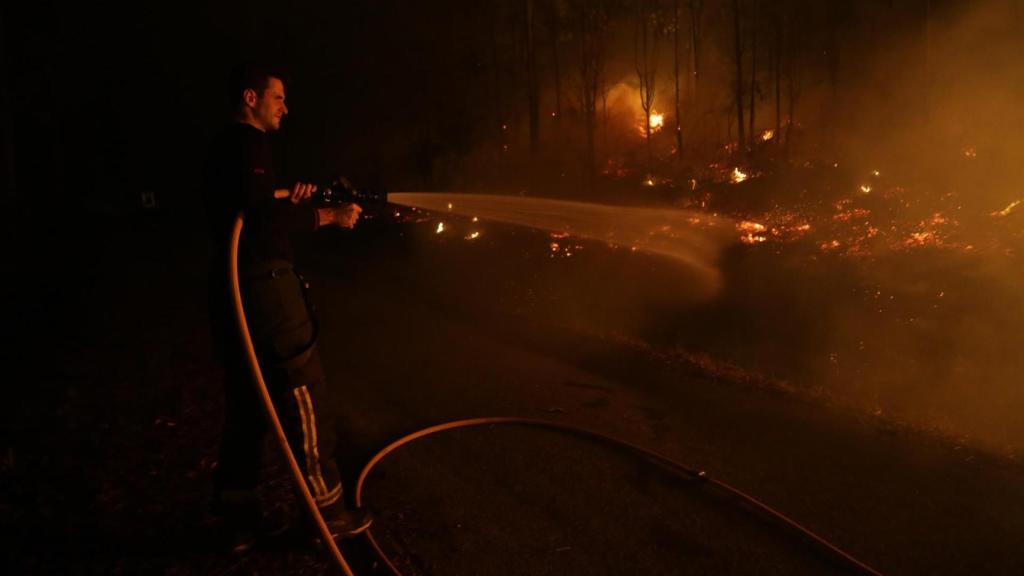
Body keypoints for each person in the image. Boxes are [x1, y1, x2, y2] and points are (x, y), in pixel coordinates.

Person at [203, 64, 369, 552]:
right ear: (250, 98)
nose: (285, 108)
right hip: (265, 291)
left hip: (232, 292)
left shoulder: (221, 148)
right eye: (278, 98)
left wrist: (288, 202)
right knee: (303, 388)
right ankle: (328, 512)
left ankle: (237, 518)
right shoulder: (249, 144)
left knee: (248, 405)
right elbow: (258, 226)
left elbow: (253, 208)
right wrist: (328, 217)